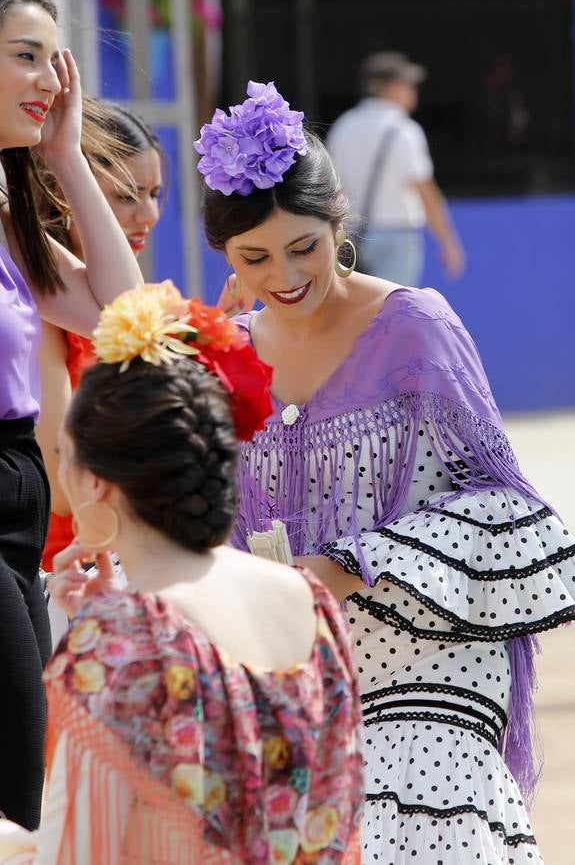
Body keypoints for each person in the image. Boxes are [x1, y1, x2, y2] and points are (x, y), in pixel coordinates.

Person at [195, 80, 575, 863]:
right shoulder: (224, 349)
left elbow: (504, 503)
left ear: (341, 223)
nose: (285, 274)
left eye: (304, 246)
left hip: (431, 648)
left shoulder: (415, 325)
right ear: (226, 257)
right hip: (298, 662)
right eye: (254, 258)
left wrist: (352, 563)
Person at [0, 282, 364, 864]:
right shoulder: (307, 599)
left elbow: (79, 852)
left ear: (97, 483)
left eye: (62, 455)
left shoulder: (122, 641)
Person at [0, 0, 141, 830]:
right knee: (23, 783)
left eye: (56, 61)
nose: (50, 80)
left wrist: (61, 158)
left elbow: (121, 312)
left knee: (26, 774)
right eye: (25, 56)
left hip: (17, 510)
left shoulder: (5, 206)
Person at [34, 98, 164, 576]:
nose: (147, 214)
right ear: (66, 189)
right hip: (69, 566)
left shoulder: (133, 295)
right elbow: (63, 488)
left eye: (155, 193)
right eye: (127, 195)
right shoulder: (42, 303)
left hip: (128, 551)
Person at [327, 51, 464, 286]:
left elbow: (332, 188)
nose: (413, 90)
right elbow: (424, 189)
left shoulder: (343, 126)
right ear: (389, 88)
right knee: (394, 313)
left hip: (352, 235)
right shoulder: (403, 129)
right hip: (397, 236)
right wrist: (448, 241)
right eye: (407, 84)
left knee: (359, 314)